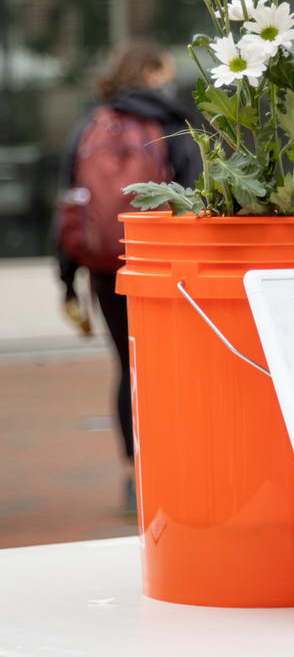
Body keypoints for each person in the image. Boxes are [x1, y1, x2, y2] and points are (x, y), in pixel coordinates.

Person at [57, 40, 199, 518]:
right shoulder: (173, 124)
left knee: (129, 368)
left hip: (105, 269)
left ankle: (132, 476)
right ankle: (179, 471)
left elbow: (71, 203)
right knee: (176, 371)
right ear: (155, 72)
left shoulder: (89, 124)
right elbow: (198, 197)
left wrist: (66, 279)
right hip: (165, 267)